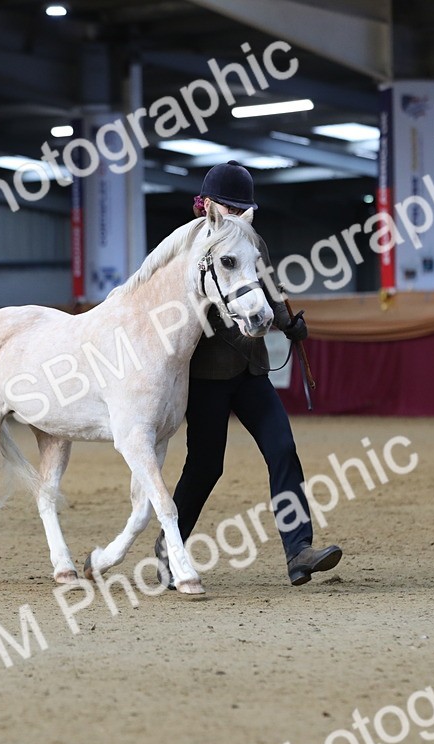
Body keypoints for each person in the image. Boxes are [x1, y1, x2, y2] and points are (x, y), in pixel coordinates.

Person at [155, 160, 342, 588]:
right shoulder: (190, 248)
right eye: (231, 208)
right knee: (206, 467)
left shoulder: (251, 240)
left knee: (282, 448)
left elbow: (266, 289)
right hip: (206, 376)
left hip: (251, 370)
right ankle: (170, 547)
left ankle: (299, 551)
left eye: (243, 209)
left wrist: (286, 322)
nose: (238, 216)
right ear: (210, 206)